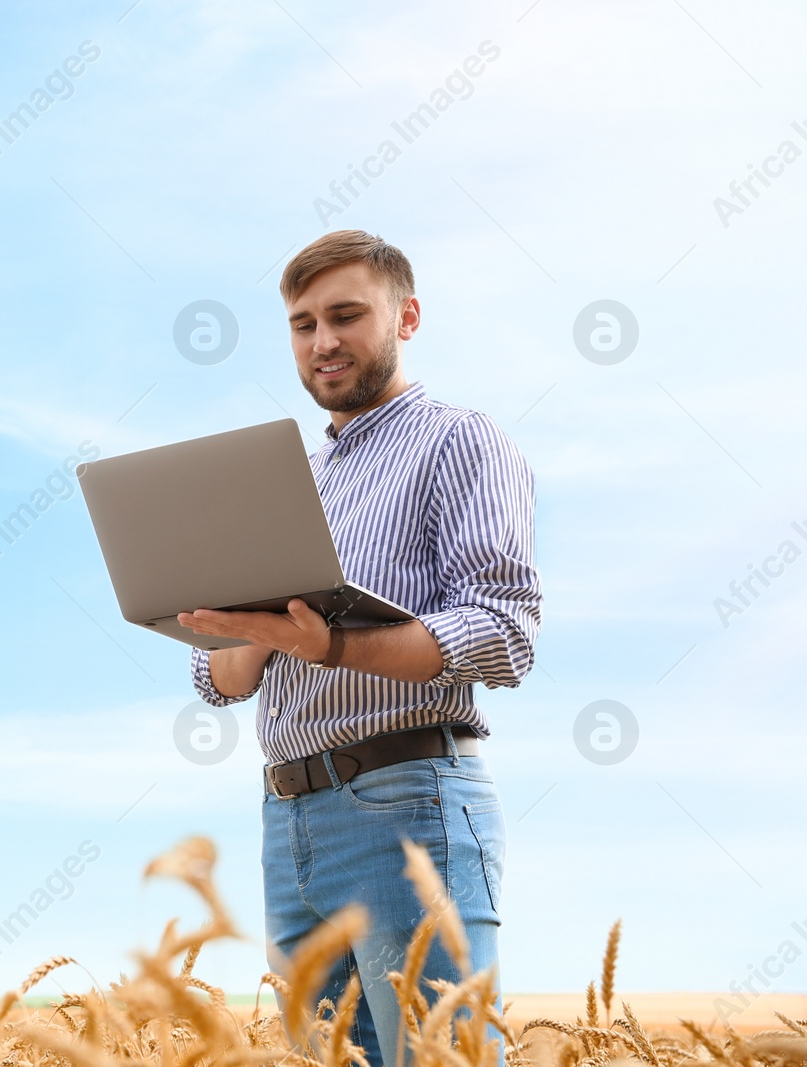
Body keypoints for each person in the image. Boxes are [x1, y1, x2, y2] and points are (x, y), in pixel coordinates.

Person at [177, 230, 541, 1067]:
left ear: (406, 317)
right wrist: (247, 634)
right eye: (303, 324)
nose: (323, 341)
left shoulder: (458, 441)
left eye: (346, 315)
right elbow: (218, 678)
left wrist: (334, 645)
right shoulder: (287, 484)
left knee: (438, 1056)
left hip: (406, 801)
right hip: (288, 817)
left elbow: (504, 632)